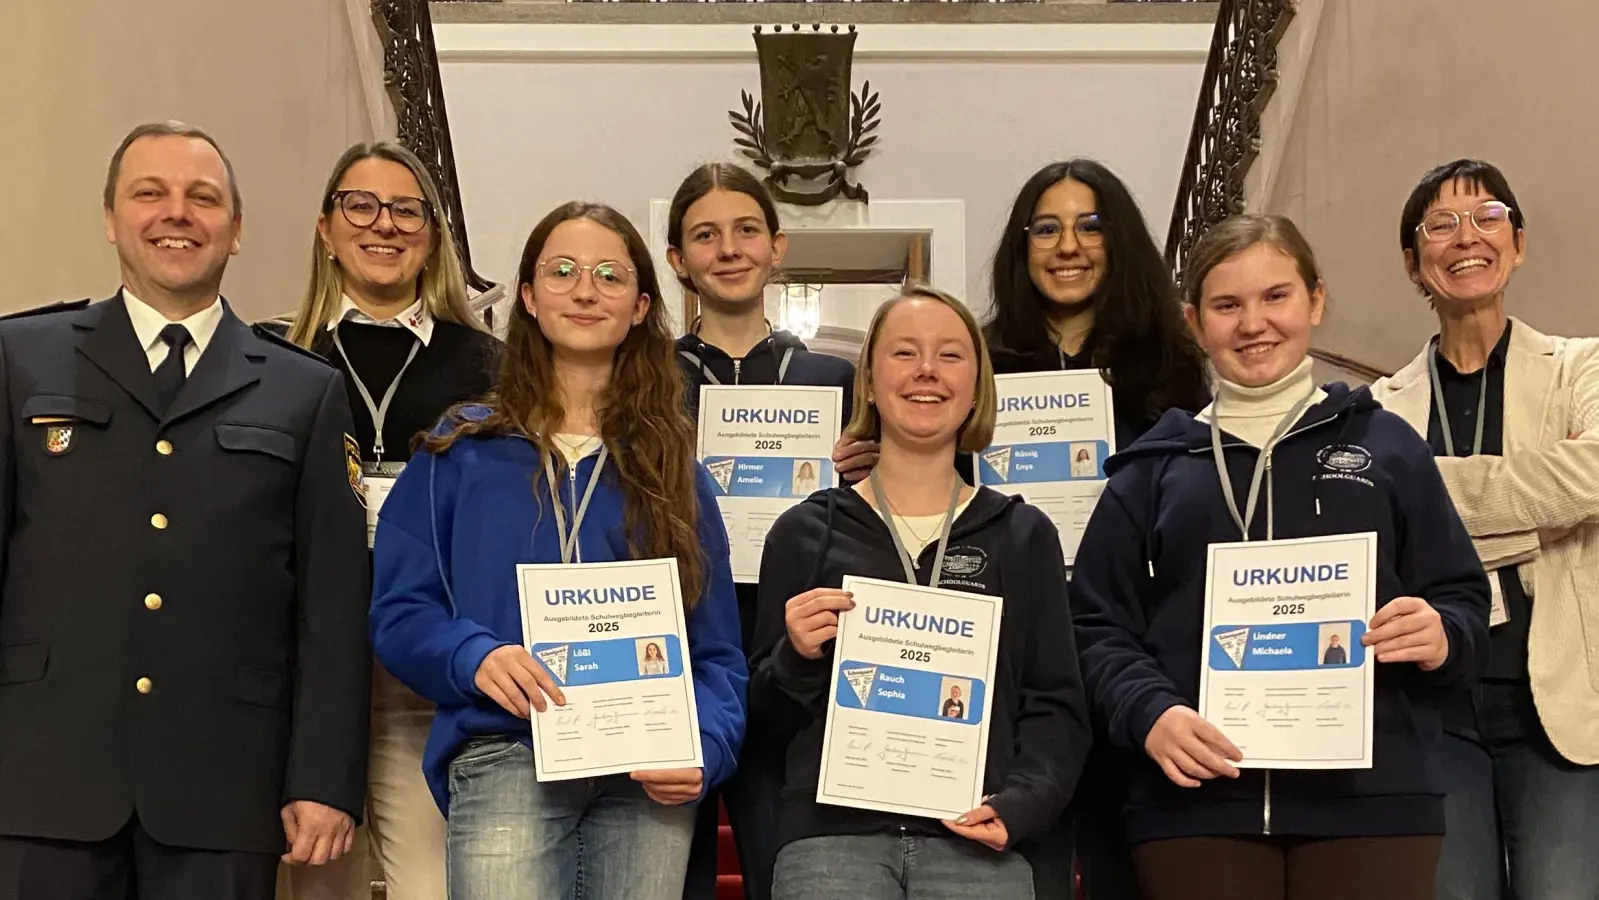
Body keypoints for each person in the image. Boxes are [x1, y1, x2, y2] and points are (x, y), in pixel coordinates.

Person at [1070, 214, 1491, 900]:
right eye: (1226, 305)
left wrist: (1441, 634)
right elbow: (1093, 625)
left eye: (1275, 296)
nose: (1252, 323)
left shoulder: (1389, 448)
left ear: (1315, 301)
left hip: (1372, 803)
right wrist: (1148, 712)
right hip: (1195, 805)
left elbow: (1463, 600)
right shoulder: (1151, 470)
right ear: (1194, 321)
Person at [0, 121, 370, 900]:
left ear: (235, 230)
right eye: (150, 193)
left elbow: (331, 608)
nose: (177, 213)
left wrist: (323, 778)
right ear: (110, 219)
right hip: (41, 777)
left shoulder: (303, 390)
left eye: (203, 198)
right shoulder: (20, 359)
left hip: (224, 786)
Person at [368, 200, 747, 900]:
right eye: (563, 271)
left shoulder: (675, 471)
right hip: (508, 750)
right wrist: (473, 656)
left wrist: (707, 743)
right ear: (528, 297)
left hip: (645, 772)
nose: (584, 290)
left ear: (639, 307)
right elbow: (399, 611)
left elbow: (718, 652)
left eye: (609, 275)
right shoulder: (459, 451)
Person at [751, 283, 1090, 900]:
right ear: (869, 381)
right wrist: (793, 660)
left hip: (977, 842)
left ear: (976, 386)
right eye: (904, 352)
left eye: (950, 354)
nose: (927, 370)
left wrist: (1022, 803)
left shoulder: (1022, 535)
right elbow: (762, 727)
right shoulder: (804, 533)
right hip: (831, 845)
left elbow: (1056, 705)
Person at [1369, 159, 1599, 900]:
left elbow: (1593, 475)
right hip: (1433, 706)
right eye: (1440, 224)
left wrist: (1431, 492)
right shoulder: (1379, 408)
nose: (1466, 236)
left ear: (1517, 243)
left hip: (1556, 702)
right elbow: (1386, 534)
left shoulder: (1581, 367)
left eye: (1487, 216)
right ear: (1414, 263)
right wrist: (1542, 517)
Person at [983, 158, 1212, 900]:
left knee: (1128, 868)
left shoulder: (1174, 367)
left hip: (1130, 642)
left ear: (1118, 239)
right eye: (1045, 229)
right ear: (1021, 246)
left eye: (1089, 226)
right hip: (1016, 645)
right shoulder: (981, 362)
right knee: (1030, 863)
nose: (1067, 246)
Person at [277, 140, 501, 900]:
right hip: (303, 669)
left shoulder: (493, 367)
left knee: (433, 886)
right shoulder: (273, 357)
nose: (384, 224)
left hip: (425, 666)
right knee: (314, 885)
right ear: (325, 227)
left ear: (432, 235)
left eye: (407, 210)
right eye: (361, 206)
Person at [665, 162, 868, 900]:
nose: (728, 249)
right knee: (671, 873)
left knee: (780, 868)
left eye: (746, 230)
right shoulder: (646, 378)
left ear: (777, 247)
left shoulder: (834, 379)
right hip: (680, 634)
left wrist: (869, 469)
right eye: (705, 235)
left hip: (789, 645)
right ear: (676, 259)